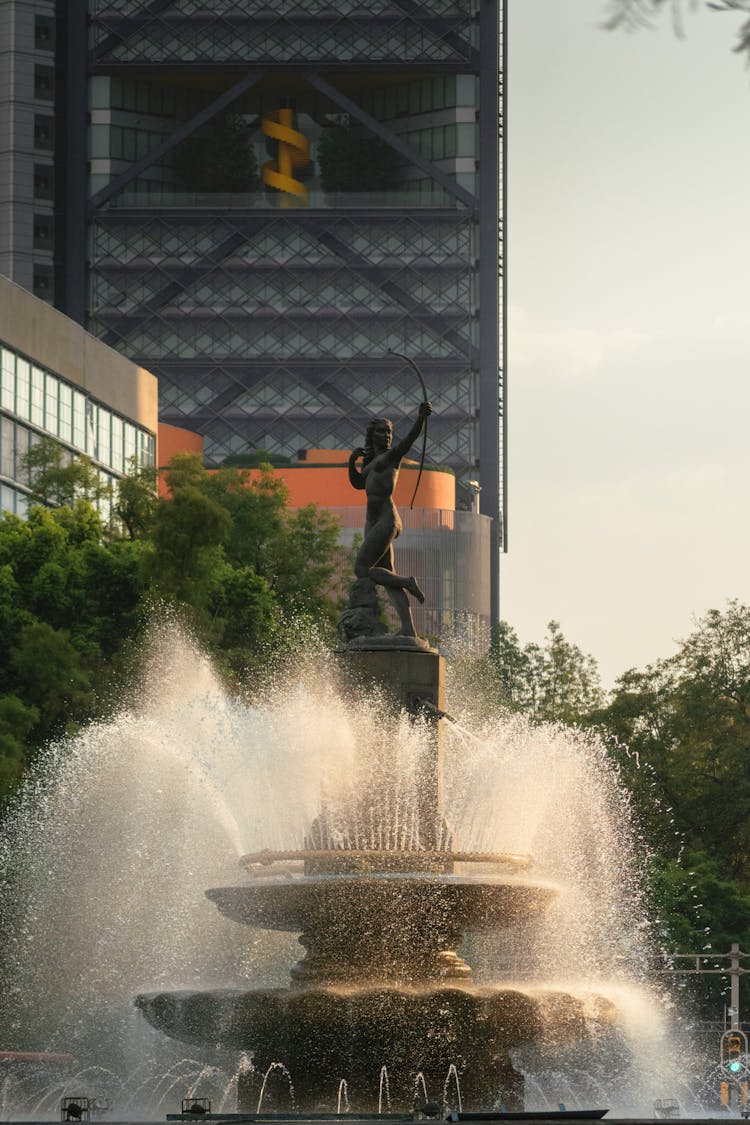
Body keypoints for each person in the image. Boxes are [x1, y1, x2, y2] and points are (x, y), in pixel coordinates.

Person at [348, 401, 431, 637]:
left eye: (389, 432)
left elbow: (408, 442)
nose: (386, 435)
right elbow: (358, 483)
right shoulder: (372, 462)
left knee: (362, 568)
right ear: (372, 435)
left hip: (387, 519)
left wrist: (420, 419)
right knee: (387, 576)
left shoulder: (392, 457)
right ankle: (409, 629)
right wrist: (350, 463)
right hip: (372, 521)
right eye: (381, 431)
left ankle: (407, 581)